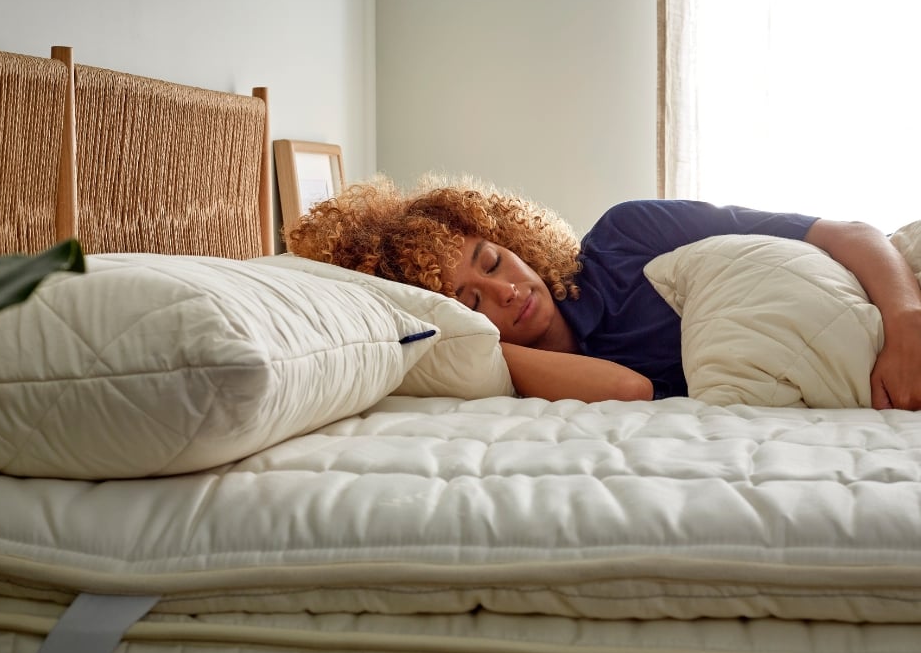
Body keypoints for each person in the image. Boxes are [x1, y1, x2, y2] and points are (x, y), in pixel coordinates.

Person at [285, 175, 921, 410]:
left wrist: (905, 319)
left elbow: (847, 231)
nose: (506, 291)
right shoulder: (510, 372)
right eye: (470, 300)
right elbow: (629, 390)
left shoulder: (630, 233)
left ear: (511, 237)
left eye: (494, 260)